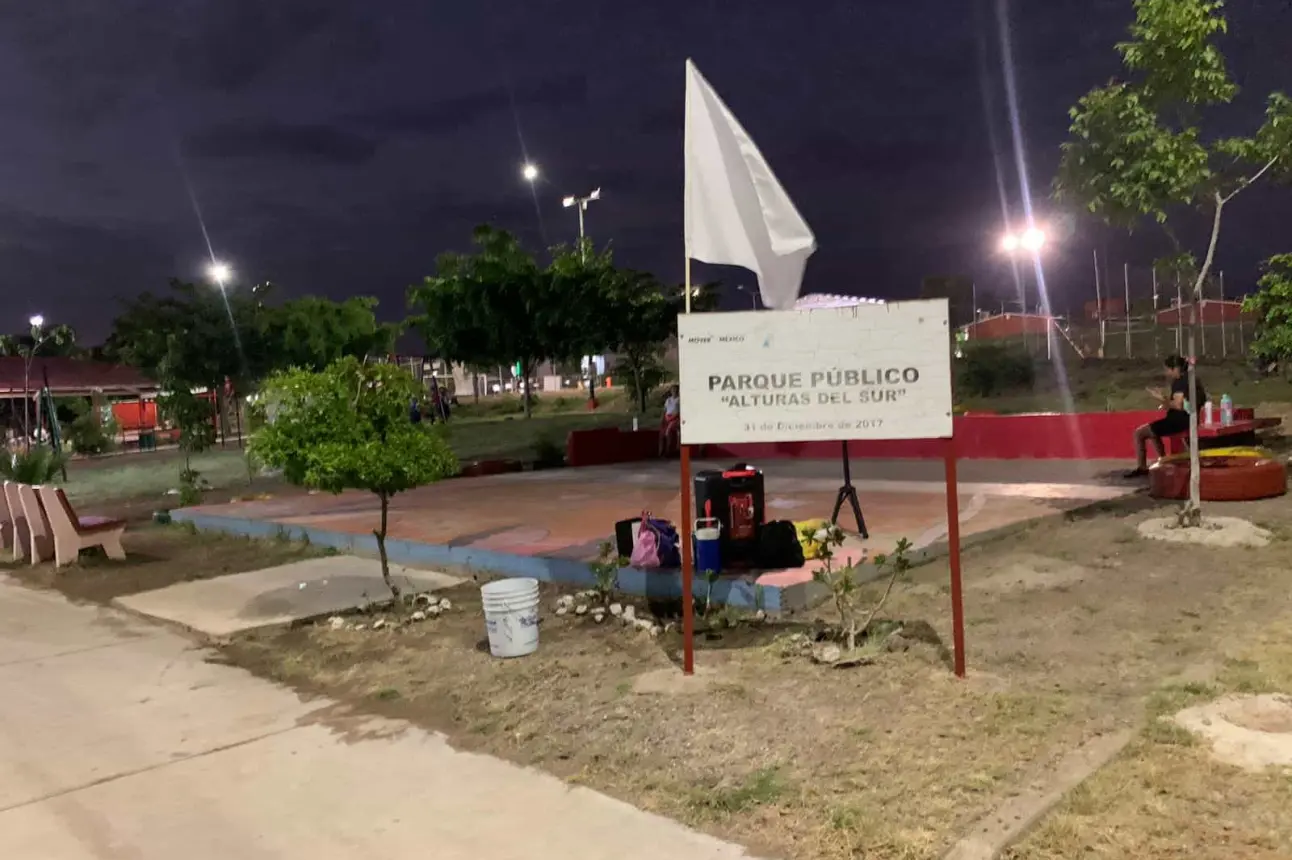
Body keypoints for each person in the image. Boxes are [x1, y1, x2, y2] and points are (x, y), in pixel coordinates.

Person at [1126, 354, 1205, 478]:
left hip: (1178, 421)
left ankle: (1144, 467)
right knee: (1153, 431)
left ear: (1175, 369)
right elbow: (1183, 403)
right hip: (1187, 419)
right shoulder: (1191, 379)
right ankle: (1162, 461)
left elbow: (1178, 405)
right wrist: (1165, 401)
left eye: (1167, 369)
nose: (1167, 373)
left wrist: (1161, 399)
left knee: (1139, 433)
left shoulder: (1180, 382)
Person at [659, 385, 680, 457]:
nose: (674, 391)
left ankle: (668, 451)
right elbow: (664, 410)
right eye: (673, 390)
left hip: (675, 418)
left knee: (669, 432)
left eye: (675, 390)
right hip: (667, 417)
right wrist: (662, 419)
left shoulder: (679, 399)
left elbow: (677, 412)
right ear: (671, 391)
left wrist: (671, 418)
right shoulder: (668, 400)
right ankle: (661, 451)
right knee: (661, 433)